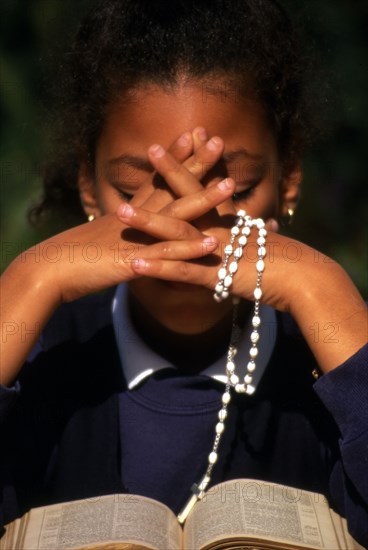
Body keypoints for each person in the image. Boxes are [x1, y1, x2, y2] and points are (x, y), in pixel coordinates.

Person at [1, 0, 367, 545]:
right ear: (88, 187)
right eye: (136, 195)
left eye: (234, 190)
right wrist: (28, 280)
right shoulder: (39, 355)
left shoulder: (336, 360)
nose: (187, 228)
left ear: (289, 180)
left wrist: (325, 289)